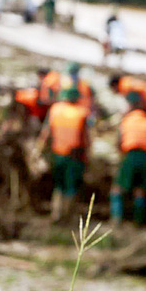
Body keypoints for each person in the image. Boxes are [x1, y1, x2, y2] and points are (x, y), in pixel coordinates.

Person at [35, 88, 91, 222]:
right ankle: (68, 216)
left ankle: (56, 214)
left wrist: (39, 150)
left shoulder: (55, 109)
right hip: (75, 156)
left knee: (59, 184)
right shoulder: (81, 112)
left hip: (58, 153)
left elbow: (46, 133)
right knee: (71, 185)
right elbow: (87, 138)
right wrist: (88, 156)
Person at [111, 92, 146, 226]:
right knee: (140, 191)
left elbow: (118, 143)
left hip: (130, 155)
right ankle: (138, 222)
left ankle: (116, 219)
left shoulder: (126, 121)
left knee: (117, 189)